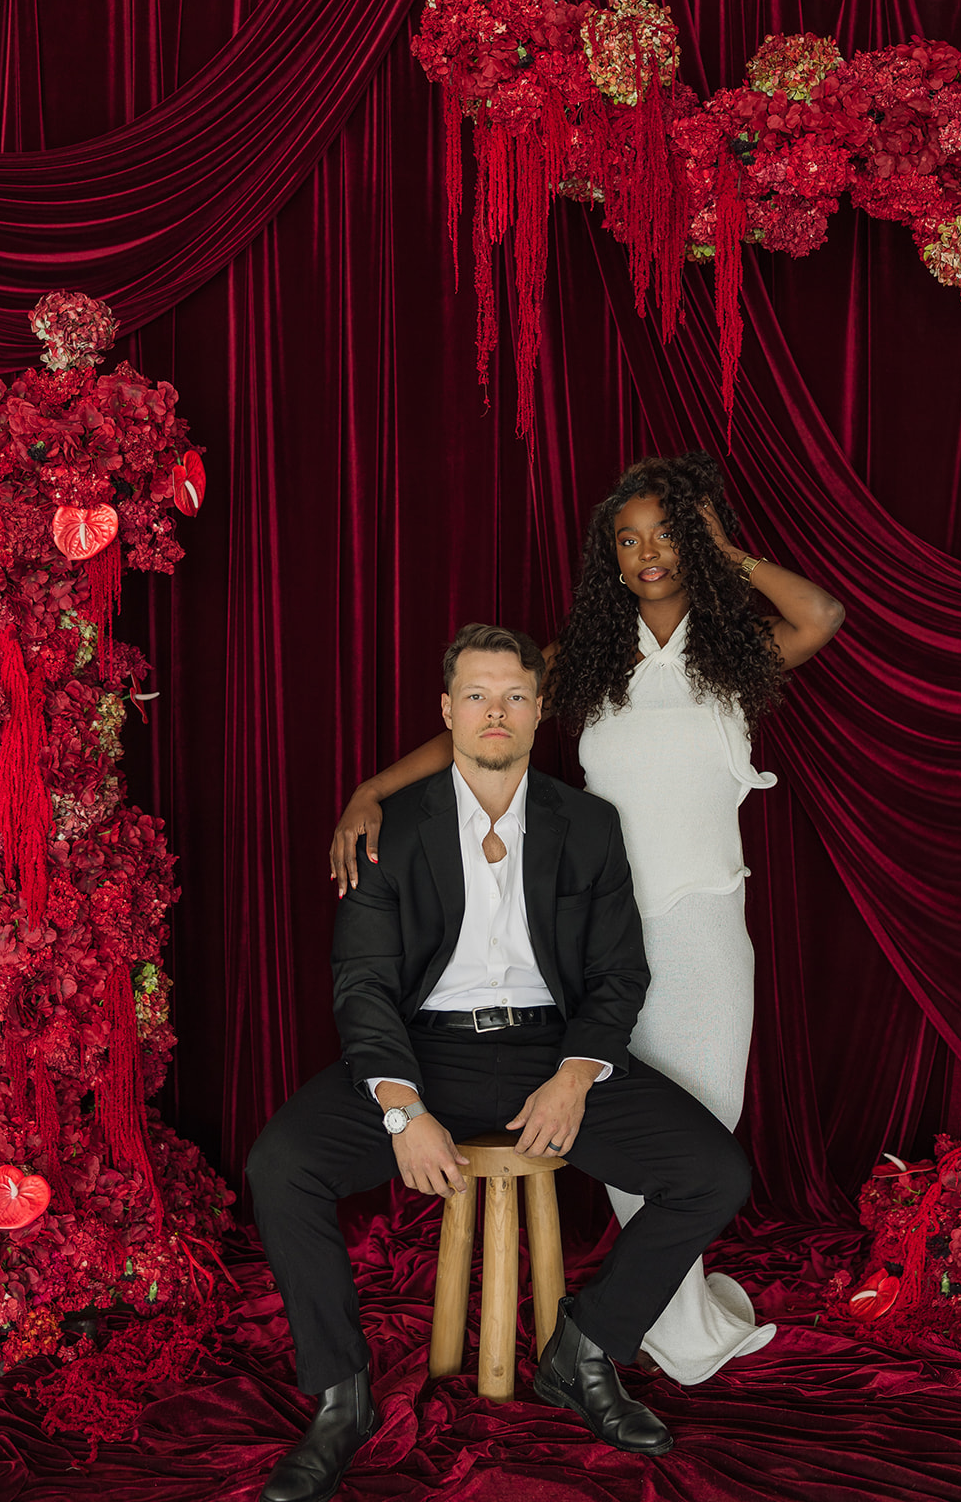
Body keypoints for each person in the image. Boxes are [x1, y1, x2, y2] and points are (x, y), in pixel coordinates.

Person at [330, 453, 844, 1387]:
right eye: (628, 539)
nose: (647, 552)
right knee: (614, 1115)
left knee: (699, 1125)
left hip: (700, 916)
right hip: (591, 925)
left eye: (666, 535)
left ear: (693, 542)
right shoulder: (587, 663)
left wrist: (725, 551)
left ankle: (663, 1313)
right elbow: (474, 726)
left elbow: (823, 616)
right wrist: (370, 790)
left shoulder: (733, 653)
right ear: (610, 557)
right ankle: (658, 1319)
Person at [249, 623, 753, 1502]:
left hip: (548, 1052)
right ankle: (342, 1396)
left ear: (536, 711)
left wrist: (574, 1074)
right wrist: (403, 1111)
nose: (496, 712)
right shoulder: (390, 829)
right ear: (447, 710)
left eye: (514, 697)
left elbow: (617, 973)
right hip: (425, 1052)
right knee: (280, 1165)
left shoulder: (587, 825)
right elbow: (361, 983)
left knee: (712, 1172)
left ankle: (584, 1351)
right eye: (477, 696)